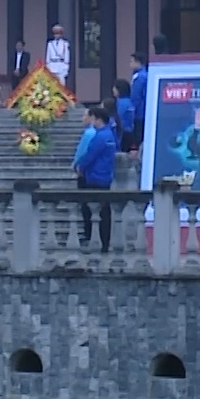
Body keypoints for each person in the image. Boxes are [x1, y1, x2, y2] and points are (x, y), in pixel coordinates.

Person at [71, 105, 117, 252]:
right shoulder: (109, 135)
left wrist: (79, 166)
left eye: (92, 118)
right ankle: (104, 241)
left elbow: (90, 155)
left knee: (96, 210)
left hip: (96, 176)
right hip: (105, 175)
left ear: (98, 119)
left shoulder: (100, 136)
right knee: (104, 211)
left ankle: (99, 241)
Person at [128, 55, 148, 146]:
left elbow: (135, 95)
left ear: (138, 62)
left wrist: (132, 109)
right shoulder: (145, 74)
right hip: (144, 109)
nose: (130, 64)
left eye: (132, 61)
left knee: (138, 135)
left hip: (139, 111)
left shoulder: (139, 77)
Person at [113, 80, 137, 152]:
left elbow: (119, 116)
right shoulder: (130, 102)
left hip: (122, 133)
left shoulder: (121, 103)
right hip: (131, 131)